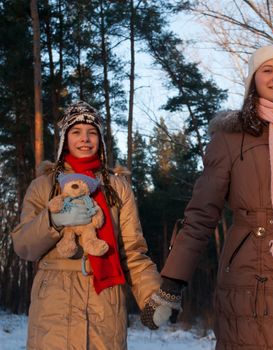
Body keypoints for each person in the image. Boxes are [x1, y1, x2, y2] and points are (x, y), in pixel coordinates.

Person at [141, 46, 273, 349]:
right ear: (253, 80)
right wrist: (172, 283)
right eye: (268, 70)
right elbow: (201, 215)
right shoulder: (229, 136)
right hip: (252, 277)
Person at [11, 101, 161, 349]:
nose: (85, 139)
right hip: (53, 304)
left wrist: (152, 296)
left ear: (100, 140)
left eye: (92, 132)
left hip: (104, 304)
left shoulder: (116, 187)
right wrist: (52, 221)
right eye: (76, 132)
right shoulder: (43, 186)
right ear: (64, 139)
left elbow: (132, 251)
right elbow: (23, 245)